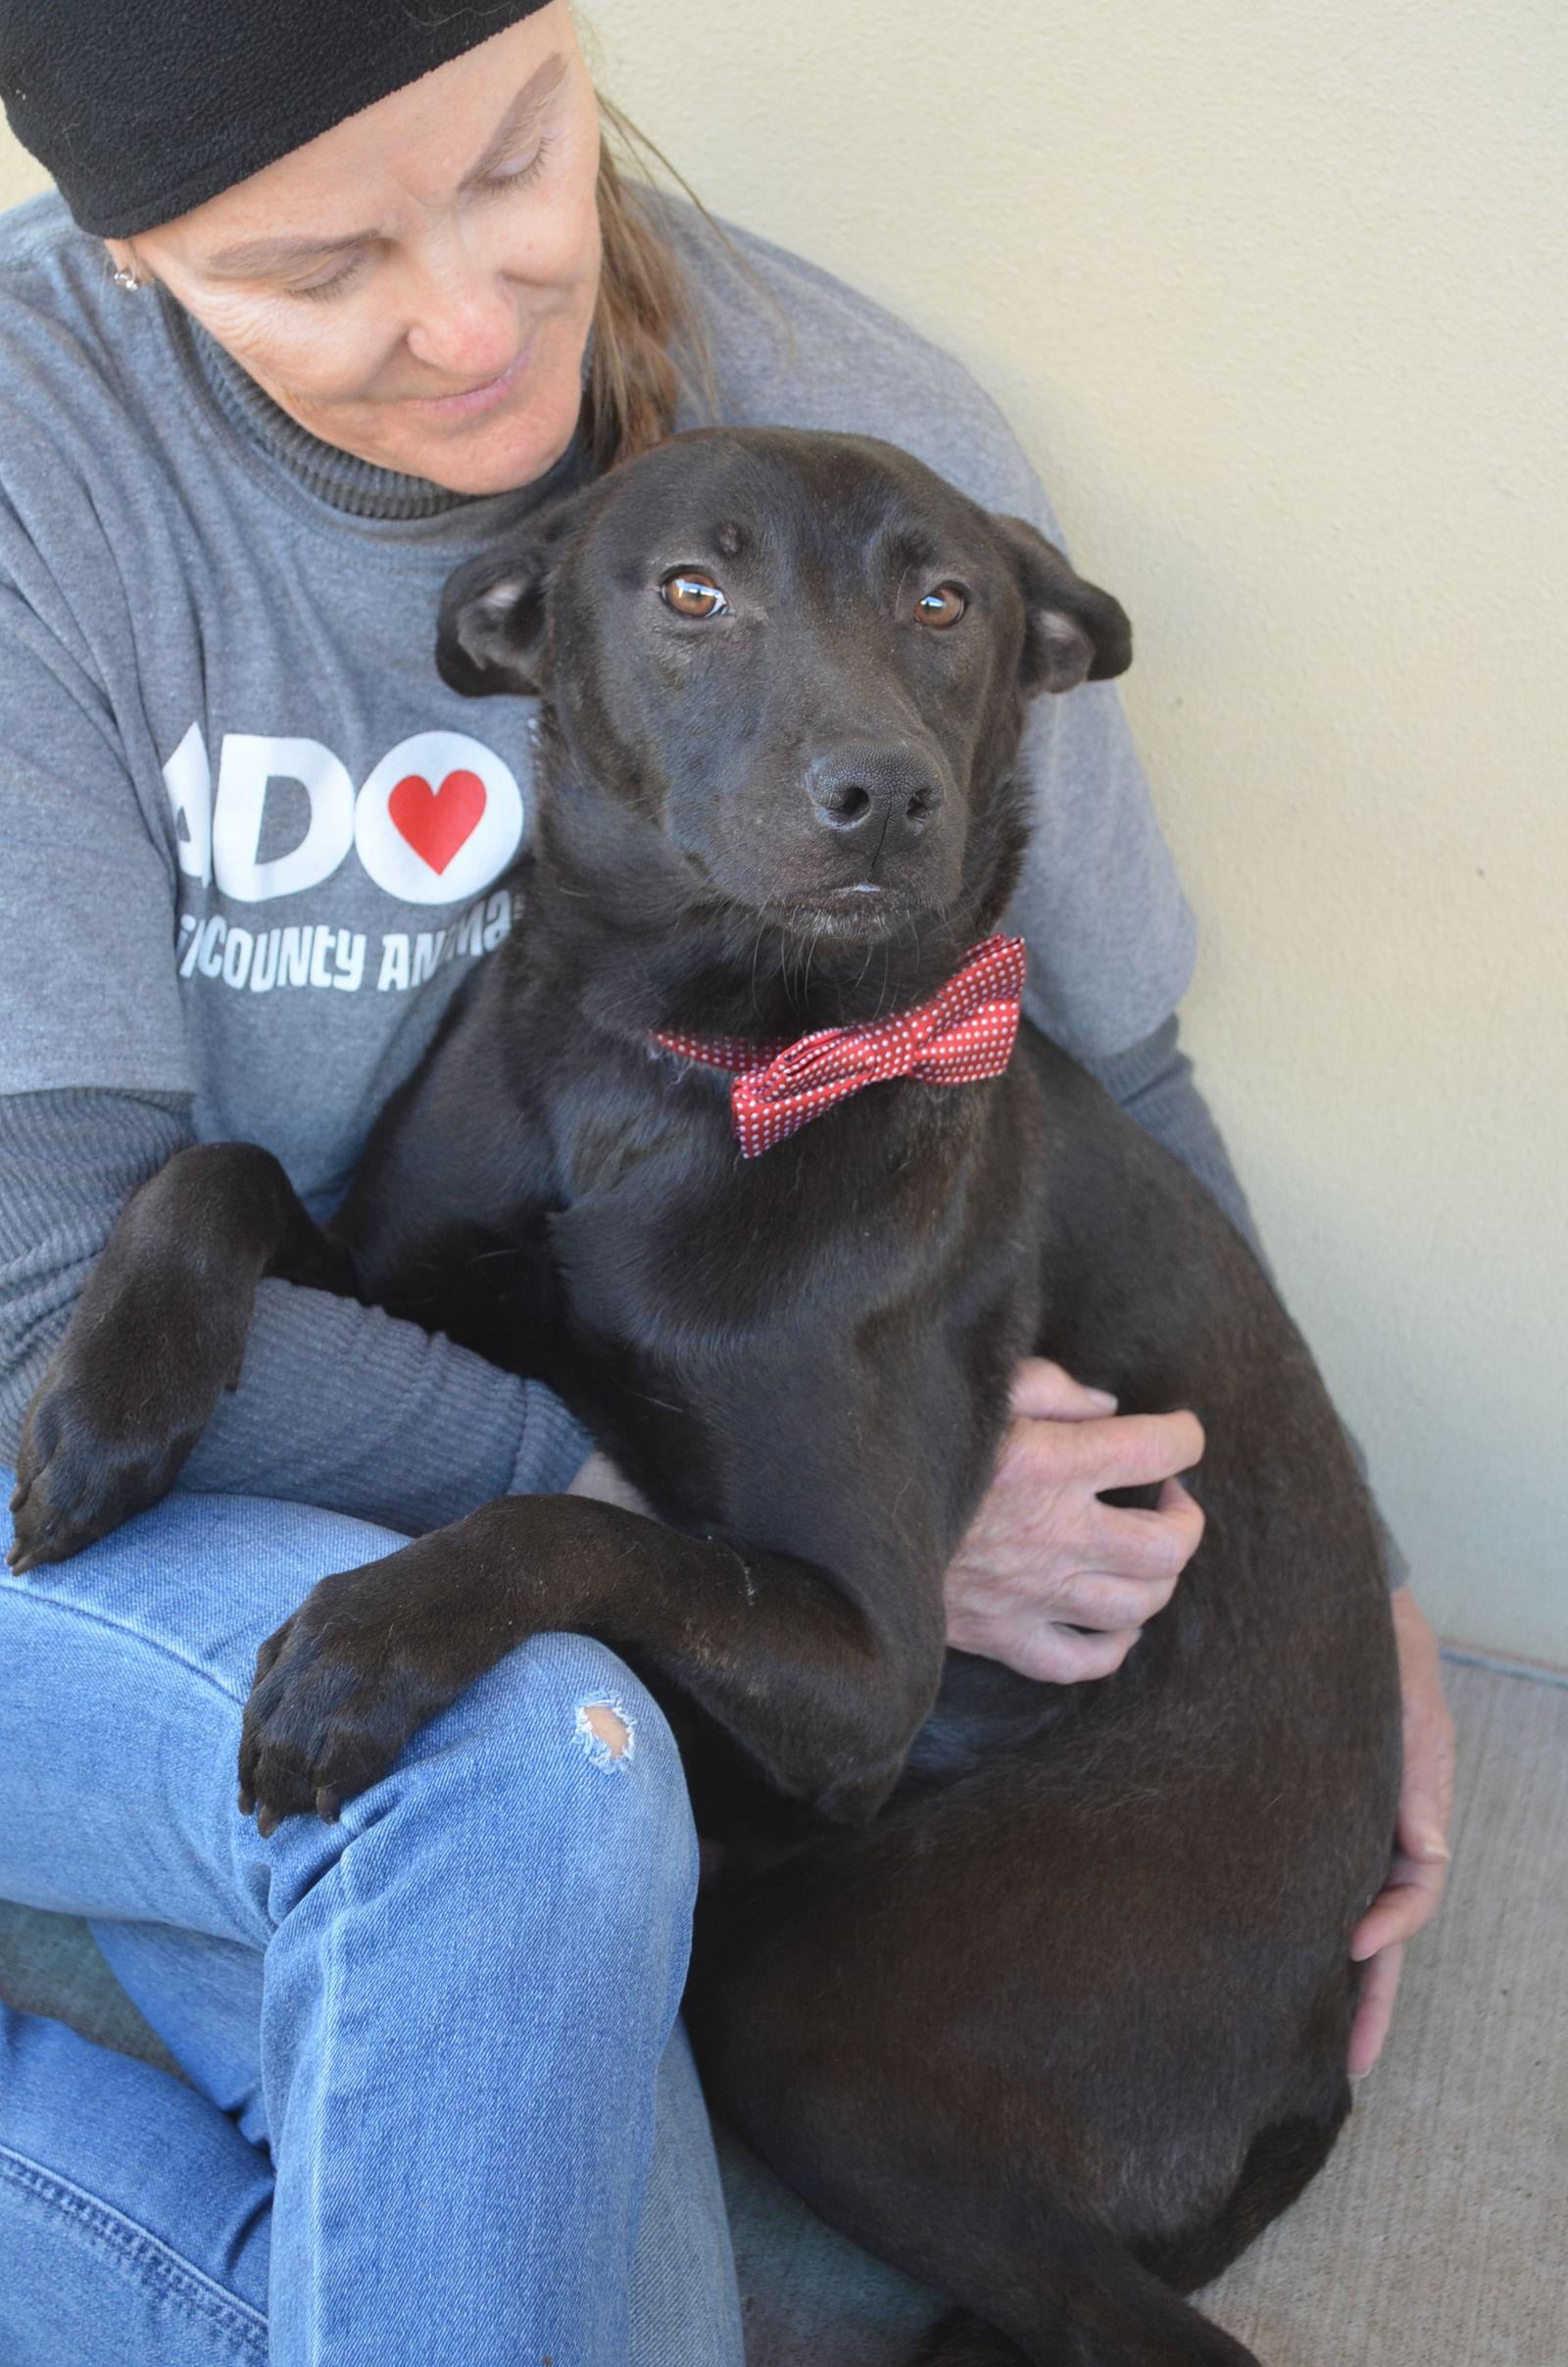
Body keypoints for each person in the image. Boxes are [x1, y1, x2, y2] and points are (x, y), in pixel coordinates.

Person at [0, 5, 1452, 2360]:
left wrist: (1354, 1597)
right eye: (313, 262)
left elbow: (1112, 1045)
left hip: (612, 1565)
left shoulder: (867, 436)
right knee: (536, 1764)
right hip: (77, 1462)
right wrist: (666, 1516)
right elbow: (35, 1300)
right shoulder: (34, 460)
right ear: (140, 260)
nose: (469, 321)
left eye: (511, 161)